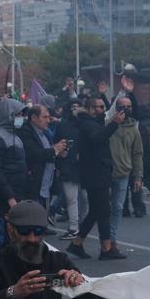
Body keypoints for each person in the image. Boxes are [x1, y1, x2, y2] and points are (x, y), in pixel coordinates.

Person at [66, 96, 124, 261]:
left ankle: (77, 243)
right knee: (103, 211)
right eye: (99, 107)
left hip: (97, 172)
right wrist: (114, 124)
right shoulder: (87, 124)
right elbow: (98, 138)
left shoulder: (91, 122)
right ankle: (106, 248)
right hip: (95, 173)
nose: (102, 109)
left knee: (96, 211)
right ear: (91, 109)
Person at [0, 99, 28, 258]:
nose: (22, 117)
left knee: (11, 239)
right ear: (8, 114)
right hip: (1, 199)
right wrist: (9, 197)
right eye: (18, 114)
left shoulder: (15, 136)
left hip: (14, 196)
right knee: (0, 238)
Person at [104, 97, 142, 259]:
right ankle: (104, 241)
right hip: (105, 173)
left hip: (123, 174)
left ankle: (112, 241)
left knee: (117, 208)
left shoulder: (134, 129)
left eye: (129, 107)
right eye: (122, 107)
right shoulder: (108, 124)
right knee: (103, 209)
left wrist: (138, 176)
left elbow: (137, 154)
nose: (126, 110)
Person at [18, 105, 67, 206]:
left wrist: (58, 152)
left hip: (46, 188)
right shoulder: (26, 132)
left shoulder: (45, 133)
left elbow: (48, 153)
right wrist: (54, 150)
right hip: (33, 188)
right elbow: (35, 154)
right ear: (34, 118)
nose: (48, 120)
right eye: (44, 117)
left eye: (49, 117)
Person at [52, 99, 83, 240]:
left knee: (84, 197)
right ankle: (74, 227)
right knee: (72, 198)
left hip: (82, 165)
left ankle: (78, 225)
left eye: (78, 107)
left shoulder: (85, 124)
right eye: (73, 107)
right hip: (68, 165)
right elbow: (56, 143)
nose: (75, 110)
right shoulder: (63, 125)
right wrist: (61, 153)